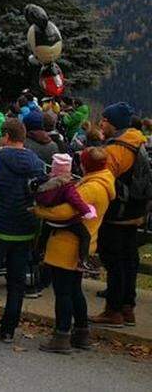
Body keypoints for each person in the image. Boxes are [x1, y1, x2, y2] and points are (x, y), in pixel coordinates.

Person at [36, 147, 115, 353]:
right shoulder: (103, 182)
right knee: (74, 290)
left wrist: (39, 210)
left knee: (63, 292)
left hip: (66, 244)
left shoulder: (90, 188)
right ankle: (81, 332)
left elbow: (64, 212)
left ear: (86, 164)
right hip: (83, 242)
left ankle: (61, 335)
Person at [0, 118, 47, 343]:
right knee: (16, 283)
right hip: (25, 228)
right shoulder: (37, 163)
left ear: (6, 136)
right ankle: (8, 330)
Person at [92, 101, 147, 328]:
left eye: (104, 120)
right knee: (129, 259)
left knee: (113, 260)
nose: (102, 123)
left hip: (117, 212)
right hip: (135, 211)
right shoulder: (138, 141)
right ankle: (127, 307)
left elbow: (105, 180)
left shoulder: (116, 150)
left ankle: (112, 310)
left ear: (113, 122)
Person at [33, 153, 96, 271]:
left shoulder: (45, 184)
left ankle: (39, 253)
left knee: (43, 236)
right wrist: (87, 211)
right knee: (85, 236)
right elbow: (76, 200)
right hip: (66, 221)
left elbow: (38, 196)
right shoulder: (67, 186)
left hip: (49, 220)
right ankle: (83, 260)